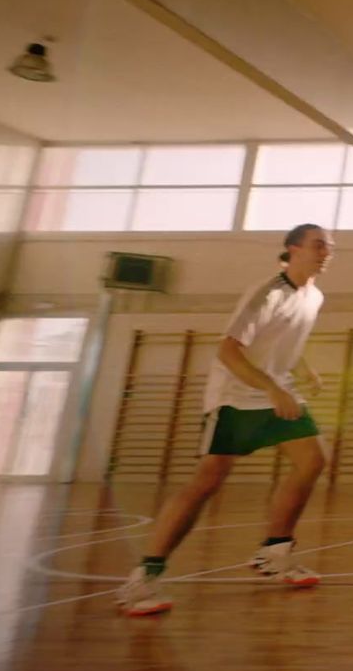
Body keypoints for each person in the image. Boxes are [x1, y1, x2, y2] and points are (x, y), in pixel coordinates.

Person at [117, 224, 334, 616]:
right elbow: (229, 352)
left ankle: (275, 552)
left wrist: (303, 368)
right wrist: (273, 389)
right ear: (293, 248)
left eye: (330, 246)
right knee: (208, 480)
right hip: (236, 396)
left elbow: (281, 339)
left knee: (313, 460)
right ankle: (143, 577)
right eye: (319, 244)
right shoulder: (267, 292)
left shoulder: (314, 296)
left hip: (276, 390)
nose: (327, 251)